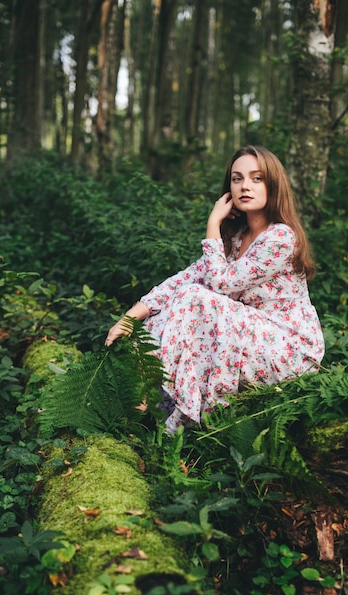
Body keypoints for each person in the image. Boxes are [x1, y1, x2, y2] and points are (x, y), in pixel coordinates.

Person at [105, 145, 325, 433]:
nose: (245, 186)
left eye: (256, 178)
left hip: (288, 348)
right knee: (179, 301)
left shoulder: (281, 238)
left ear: (274, 185)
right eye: (237, 178)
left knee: (196, 299)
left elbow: (220, 284)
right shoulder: (236, 237)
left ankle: (149, 394)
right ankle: (143, 397)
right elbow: (187, 277)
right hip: (248, 334)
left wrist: (212, 222)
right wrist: (130, 318)